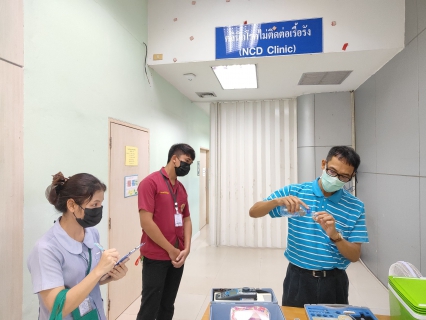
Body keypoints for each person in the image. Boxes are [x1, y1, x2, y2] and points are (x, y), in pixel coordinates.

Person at [249, 146, 369, 307]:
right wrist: (277, 201)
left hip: (334, 282)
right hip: (298, 278)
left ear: (352, 176)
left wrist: (335, 235)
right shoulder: (295, 192)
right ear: (323, 164)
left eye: (344, 177)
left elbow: (354, 256)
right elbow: (254, 212)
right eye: (332, 171)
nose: (335, 179)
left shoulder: (355, 206)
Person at [27, 172, 128, 319]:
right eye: (94, 204)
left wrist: (109, 275)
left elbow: (83, 279)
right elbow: (58, 307)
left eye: (101, 204)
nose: (99, 209)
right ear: (72, 205)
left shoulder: (92, 234)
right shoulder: (45, 250)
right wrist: (98, 271)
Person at [136, 143, 195, 320]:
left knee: (167, 305)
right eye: (186, 161)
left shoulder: (181, 188)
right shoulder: (150, 183)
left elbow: (186, 219)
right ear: (174, 159)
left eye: (191, 163)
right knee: (149, 307)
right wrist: (170, 249)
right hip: (156, 256)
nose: (188, 166)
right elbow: (146, 222)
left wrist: (187, 248)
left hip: (178, 257)